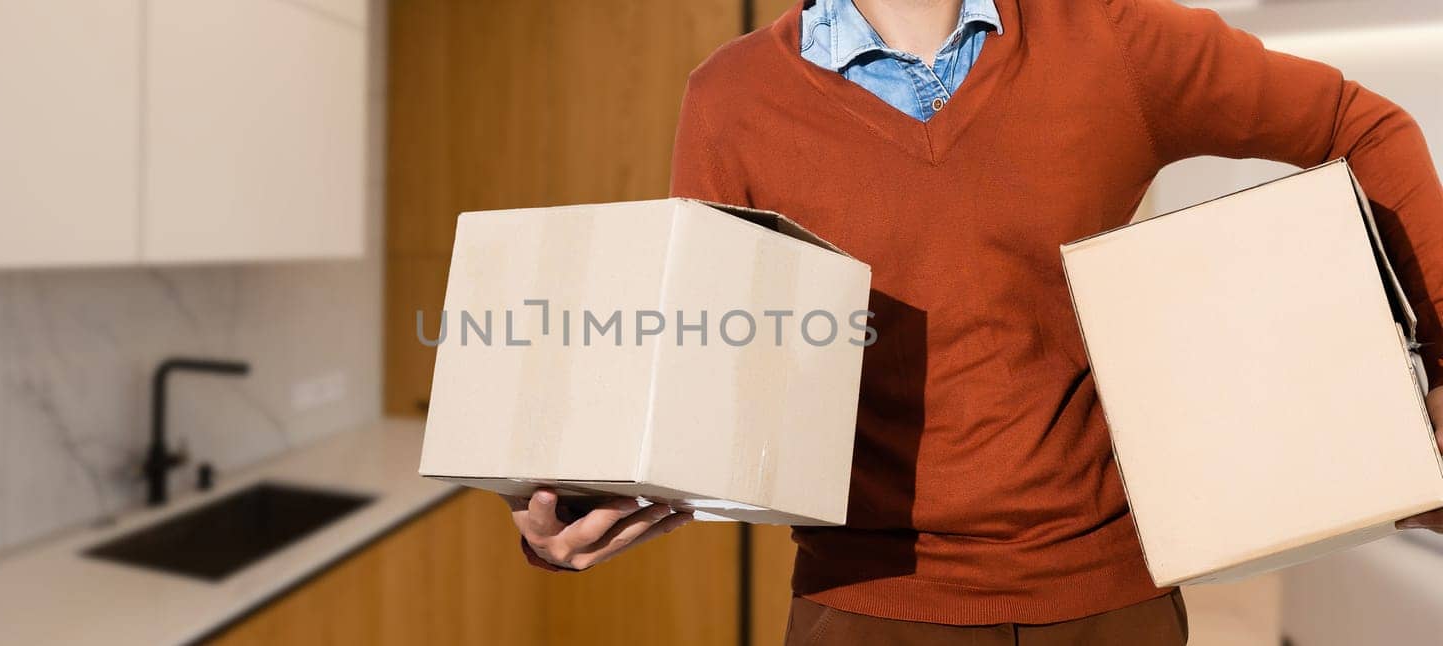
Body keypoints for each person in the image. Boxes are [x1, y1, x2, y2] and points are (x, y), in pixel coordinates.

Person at [503, 0, 1443, 643]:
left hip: (1108, 603)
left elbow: (1365, 128)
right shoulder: (733, 100)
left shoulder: (1107, 39)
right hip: (867, 611)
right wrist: (575, 513)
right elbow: (708, 384)